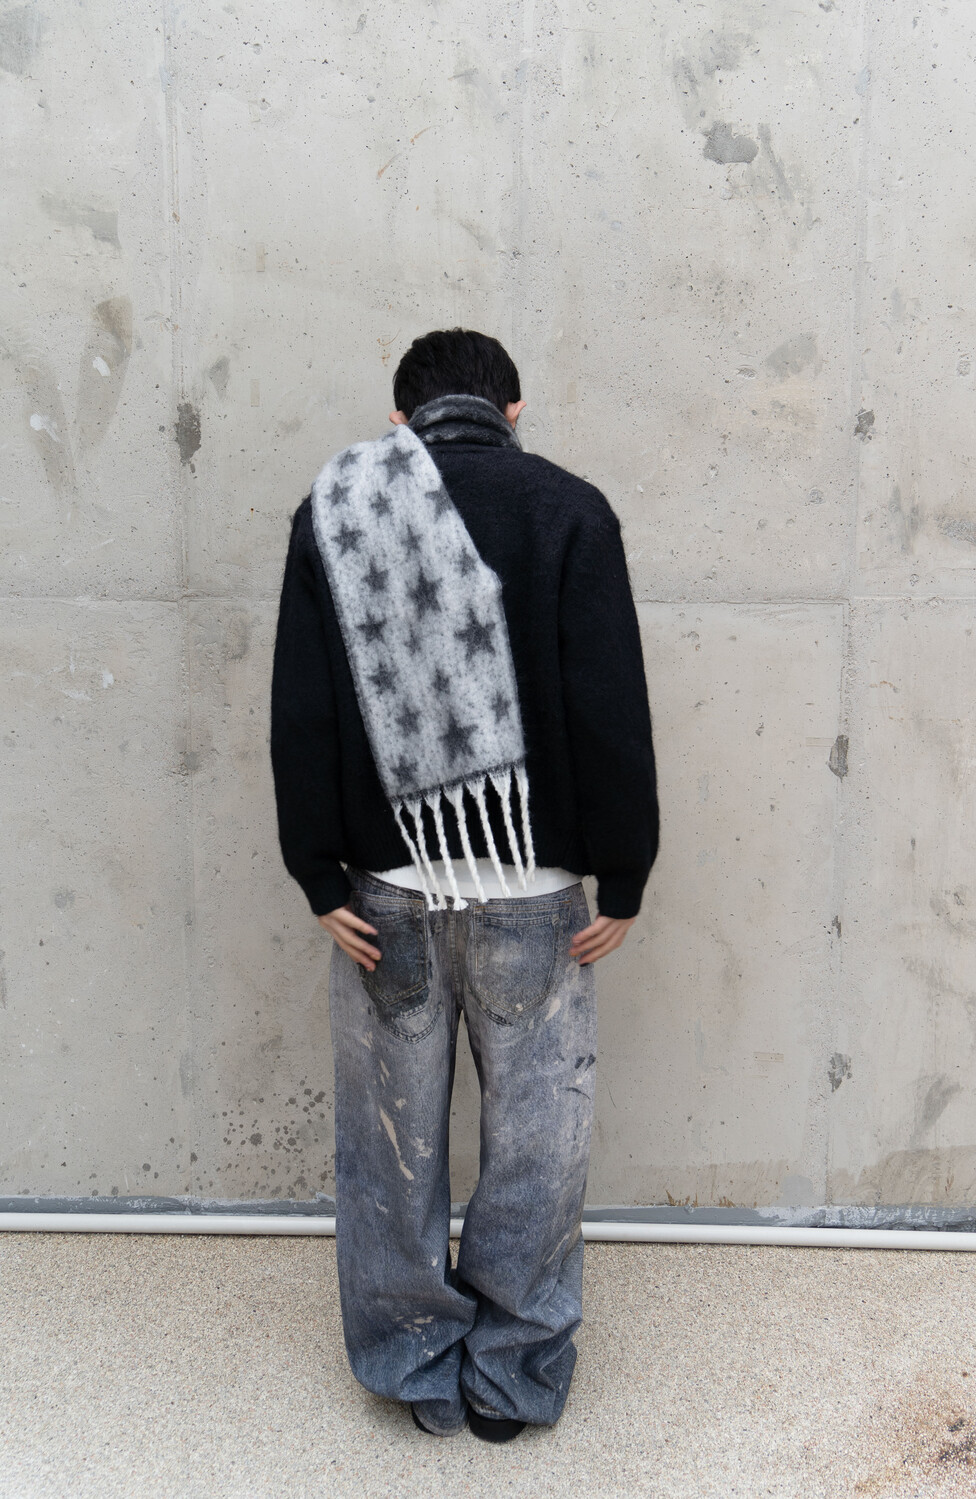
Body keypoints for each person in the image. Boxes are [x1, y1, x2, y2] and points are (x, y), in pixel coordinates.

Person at [269, 328, 659, 1443]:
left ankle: (414, 1365)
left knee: (388, 1147)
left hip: (384, 888)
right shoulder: (569, 509)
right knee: (539, 1142)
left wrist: (316, 871)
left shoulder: (337, 507)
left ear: (400, 418)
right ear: (515, 409)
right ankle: (513, 1371)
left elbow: (302, 702)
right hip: (536, 891)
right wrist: (624, 872)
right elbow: (609, 702)